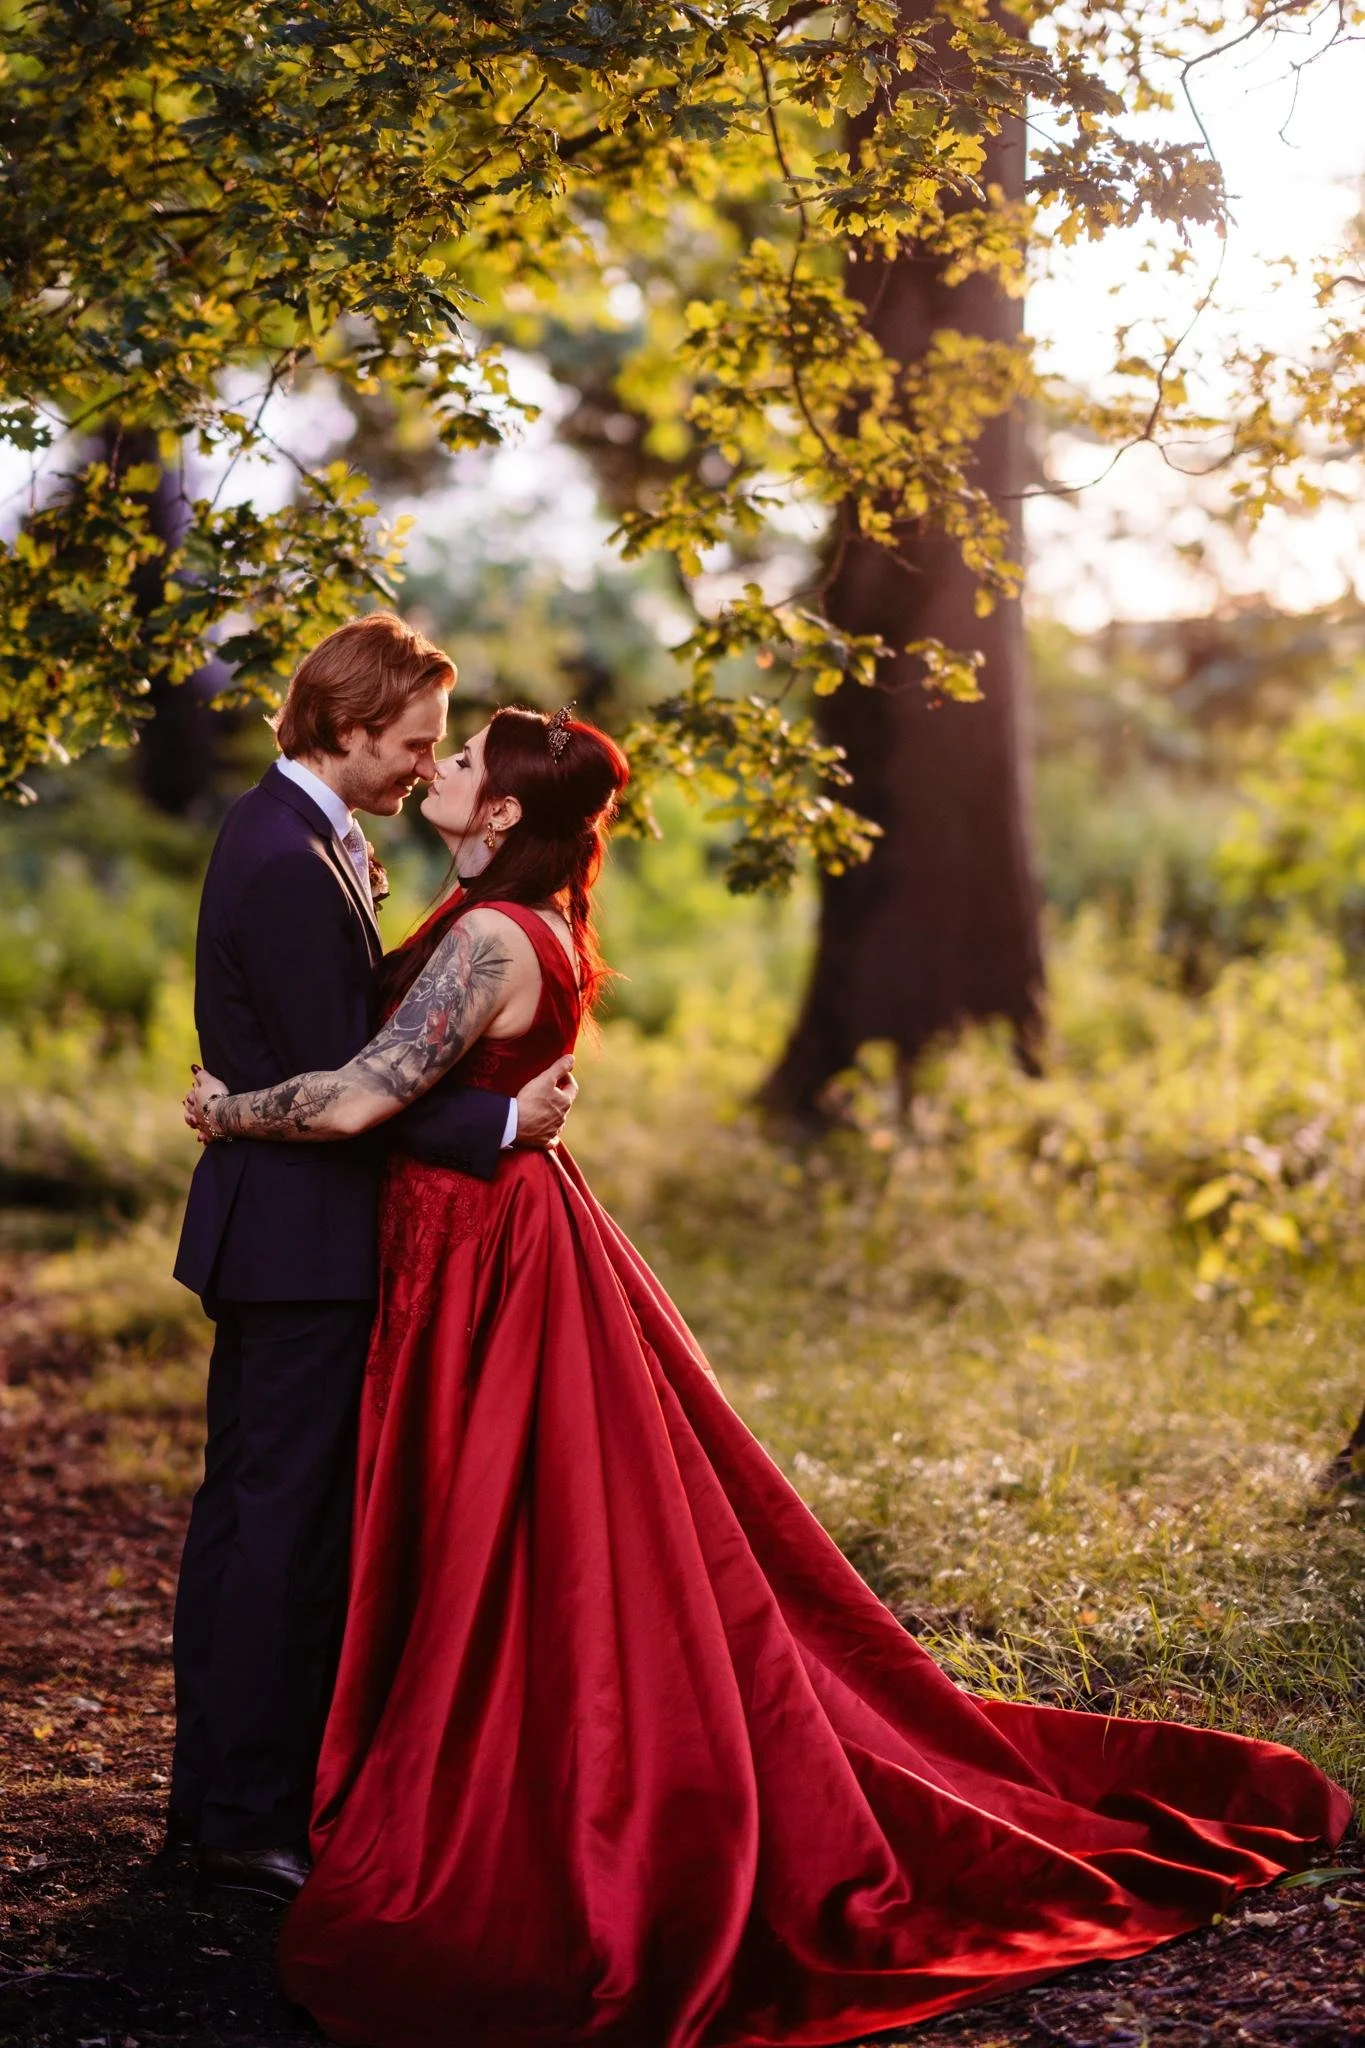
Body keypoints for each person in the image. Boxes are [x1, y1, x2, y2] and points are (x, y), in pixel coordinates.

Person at [185, 704, 1349, 2048]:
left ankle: (514, 1793)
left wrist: (226, 1108)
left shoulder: (500, 935)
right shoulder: (500, 915)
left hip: (487, 1263)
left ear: (500, 814)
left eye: (461, 762)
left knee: (514, 1544)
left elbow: (349, 1102)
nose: (436, 769)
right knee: (497, 1537)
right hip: (474, 1242)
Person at [169, 618, 577, 1904]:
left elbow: (341, 1053)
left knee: (251, 1516)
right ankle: (242, 1817)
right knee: (277, 1530)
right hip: (301, 1235)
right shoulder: (288, 860)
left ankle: (223, 1800)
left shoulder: (301, 841)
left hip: (286, 1229)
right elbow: (350, 1084)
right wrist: (507, 1120)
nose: (422, 764)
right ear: (346, 729)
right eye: (410, 743)